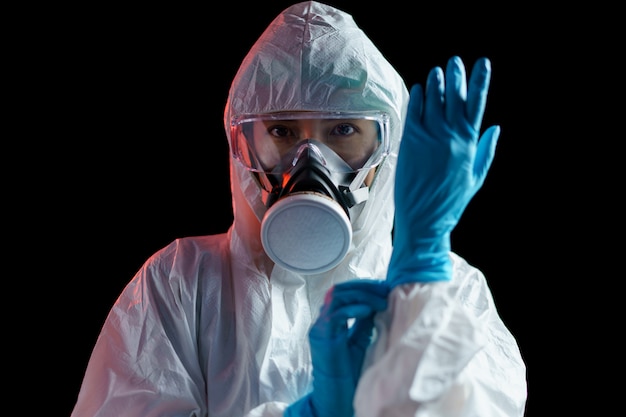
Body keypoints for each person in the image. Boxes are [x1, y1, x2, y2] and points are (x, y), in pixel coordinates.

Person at [72, 1, 527, 416]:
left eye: (344, 129)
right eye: (283, 132)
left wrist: (421, 284)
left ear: (386, 150)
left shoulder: (453, 290)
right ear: (243, 143)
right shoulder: (181, 283)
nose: (310, 161)